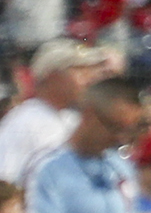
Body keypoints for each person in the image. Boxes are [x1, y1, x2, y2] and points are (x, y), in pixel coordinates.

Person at [24, 78, 151, 213]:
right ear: (89, 115)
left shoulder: (121, 166)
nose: (121, 138)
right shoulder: (48, 169)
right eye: (115, 127)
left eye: (129, 130)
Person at [0, 38, 107, 185]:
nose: (89, 79)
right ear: (52, 75)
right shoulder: (23, 122)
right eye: (79, 70)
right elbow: (5, 183)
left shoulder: (74, 120)